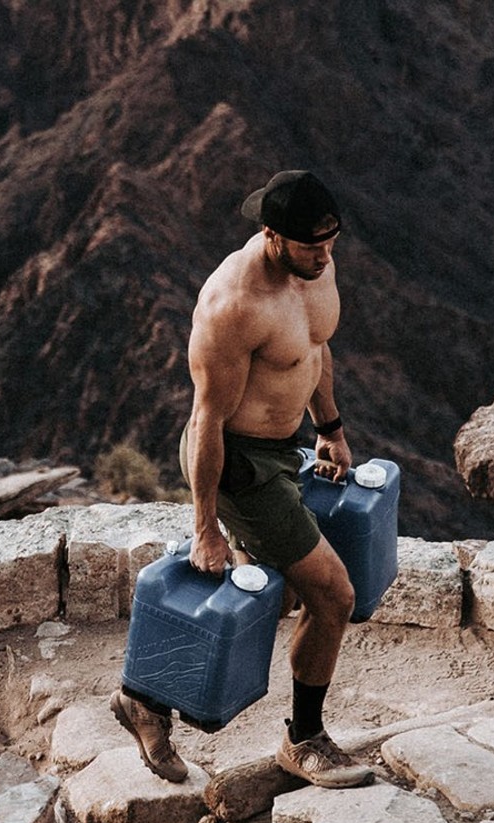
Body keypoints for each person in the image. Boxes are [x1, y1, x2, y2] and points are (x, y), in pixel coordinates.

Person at [110, 169, 374, 789]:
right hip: (239, 464)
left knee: (276, 595)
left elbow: (315, 350)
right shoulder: (234, 304)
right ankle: (303, 740)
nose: (324, 255)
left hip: (287, 449)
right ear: (271, 235)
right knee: (332, 594)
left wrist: (329, 427)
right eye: (311, 245)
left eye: (331, 243)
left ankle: (141, 700)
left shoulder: (316, 269)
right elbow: (208, 420)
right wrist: (205, 527)